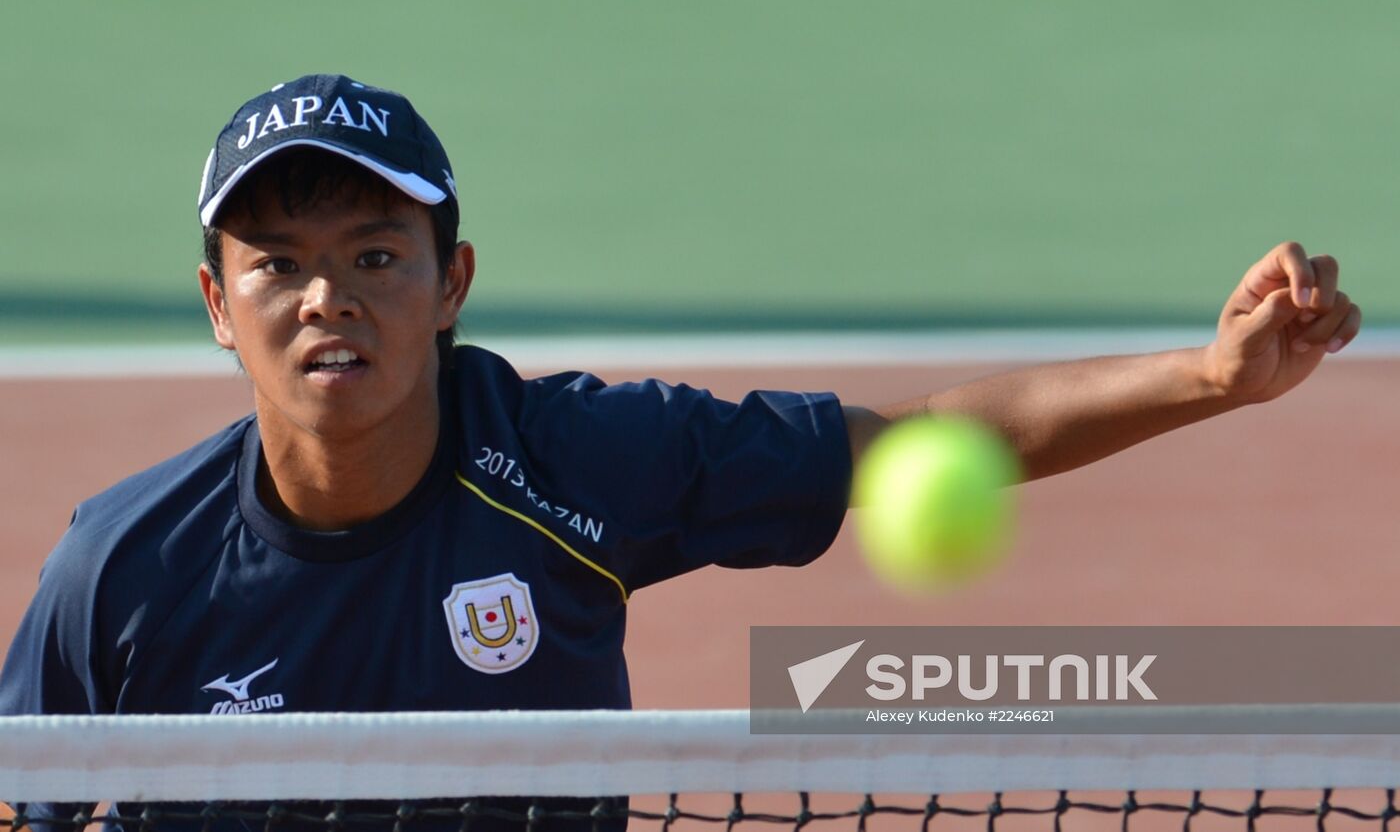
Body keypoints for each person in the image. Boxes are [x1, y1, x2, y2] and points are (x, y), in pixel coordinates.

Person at [0, 74, 1362, 826]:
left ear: (451, 281)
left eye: (374, 256)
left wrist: (1211, 377)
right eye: (277, 264)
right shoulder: (121, 568)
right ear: (215, 304)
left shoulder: (574, 463)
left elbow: (918, 441)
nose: (325, 299)